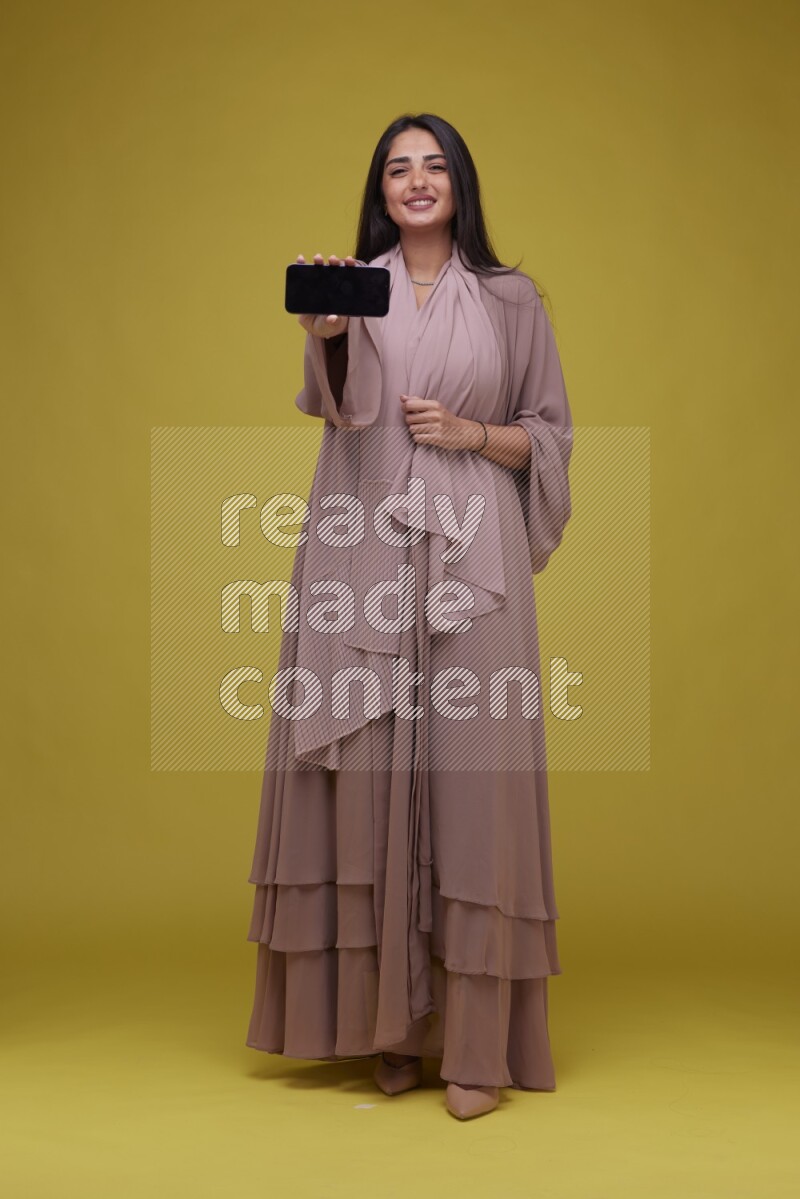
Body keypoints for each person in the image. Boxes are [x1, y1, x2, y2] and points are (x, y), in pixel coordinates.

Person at [245, 112, 574, 1121]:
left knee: (472, 783)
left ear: (458, 183)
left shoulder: (512, 299)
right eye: (398, 168)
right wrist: (326, 336)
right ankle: (391, 1026)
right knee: (371, 774)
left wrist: (472, 432)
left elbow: (549, 434)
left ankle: (474, 1046)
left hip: (474, 554)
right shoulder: (359, 288)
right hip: (364, 541)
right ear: (380, 190)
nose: (417, 180)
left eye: (434, 165)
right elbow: (342, 412)